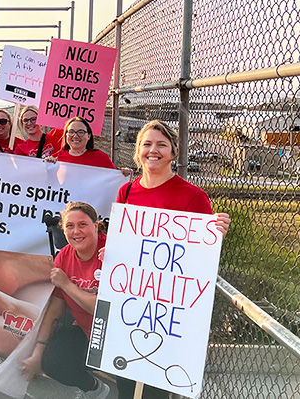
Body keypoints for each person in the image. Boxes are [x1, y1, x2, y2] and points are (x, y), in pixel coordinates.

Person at [112, 120, 229, 398]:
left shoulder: (193, 197)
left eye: (161, 145)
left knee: (155, 389)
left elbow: (200, 255)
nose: (154, 150)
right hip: (132, 304)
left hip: (168, 309)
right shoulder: (126, 192)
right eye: (147, 144)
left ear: (174, 152)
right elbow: (125, 244)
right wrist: (111, 252)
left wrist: (216, 235)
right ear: (138, 150)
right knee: (125, 384)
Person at [20, 202, 111, 399]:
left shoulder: (110, 251)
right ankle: (95, 389)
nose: (76, 231)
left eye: (82, 225)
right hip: (87, 332)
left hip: (116, 334)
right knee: (53, 362)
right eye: (70, 226)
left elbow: (103, 309)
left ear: (96, 226)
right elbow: (55, 307)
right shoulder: (64, 257)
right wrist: (37, 353)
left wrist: (67, 284)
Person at [47, 116, 116, 169]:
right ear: (66, 135)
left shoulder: (101, 158)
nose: (75, 136)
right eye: (71, 132)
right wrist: (46, 165)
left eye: (81, 132)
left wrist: (124, 174)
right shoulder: (55, 159)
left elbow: (115, 181)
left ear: (88, 136)